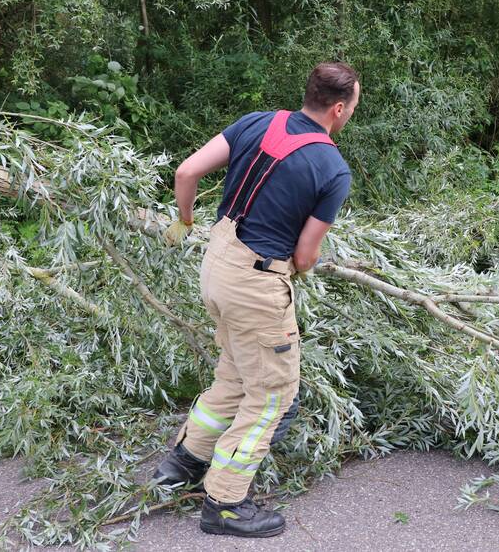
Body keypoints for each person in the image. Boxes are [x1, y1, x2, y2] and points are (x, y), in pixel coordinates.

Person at [152, 62, 358, 538]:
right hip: (256, 284)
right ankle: (224, 503)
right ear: (340, 108)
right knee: (273, 396)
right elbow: (304, 258)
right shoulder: (332, 168)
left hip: (216, 261)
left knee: (237, 371)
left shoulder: (258, 122)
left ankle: (183, 462)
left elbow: (187, 172)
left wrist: (184, 221)